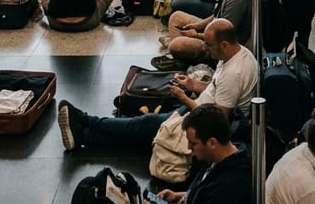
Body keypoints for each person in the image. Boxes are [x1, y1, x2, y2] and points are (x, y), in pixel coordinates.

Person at [58, 19, 258, 150]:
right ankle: (83, 135)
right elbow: (216, 89)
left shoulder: (234, 73)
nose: (205, 48)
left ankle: (86, 121)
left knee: (143, 125)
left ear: (224, 44)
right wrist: (192, 84)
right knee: (143, 129)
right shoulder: (234, 54)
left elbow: (217, 120)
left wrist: (184, 99)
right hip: (198, 107)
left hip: (201, 119)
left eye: (208, 44)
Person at [158, 0, 251, 68]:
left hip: (219, 48)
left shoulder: (237, 0)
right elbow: (216, 15)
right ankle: (179, 55)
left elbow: (222, 36)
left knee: (176, 45)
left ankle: (177, 52)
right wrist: (198, 25)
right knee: (176, 17)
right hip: (215, 30)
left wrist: (197, 35)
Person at [152, 104, 252, 204]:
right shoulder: (221, 156)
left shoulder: (228, 187)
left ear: (212, 143)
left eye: (193, 143)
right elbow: (205, 194)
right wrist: (179, 196)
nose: (189, 147)